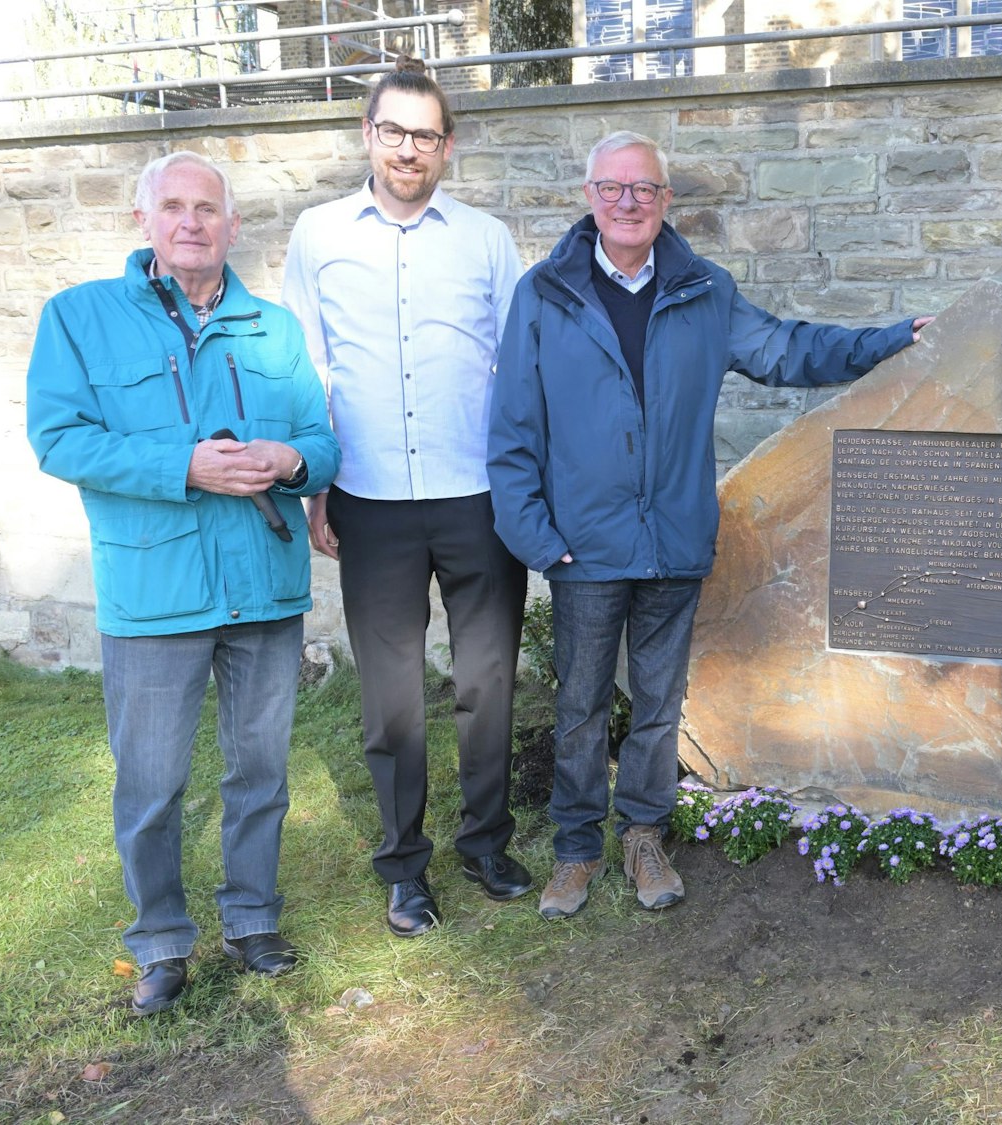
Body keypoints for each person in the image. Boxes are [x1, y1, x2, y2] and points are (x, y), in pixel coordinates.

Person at [487, 130, 931, 919]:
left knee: (659, 704)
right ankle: (576, 849)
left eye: (646, 189)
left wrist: (891, 340)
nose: (629, 203)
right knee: (582, 706)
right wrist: (538, 538)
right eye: (614, 189)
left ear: (665, 201)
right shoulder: (544, 294)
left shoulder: (703, 291)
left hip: (673, 542)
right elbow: (513, 430)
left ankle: (645, 834)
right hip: (582, 546)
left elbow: (790, 350)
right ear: (589, 197)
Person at [26, 152, 340, 1014]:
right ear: (145, 223)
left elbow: (324, 440)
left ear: (234, 226)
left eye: (209, 207)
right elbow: (59, 440)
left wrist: (292, 458)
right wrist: (184, 467)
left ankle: (251, 920)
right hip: (154, 594)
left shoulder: (272, 328)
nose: (192, 221)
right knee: (153, 784)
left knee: (260, 772)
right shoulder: (80, 318)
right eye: (174, 206)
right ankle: (161, 940)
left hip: (264, 589)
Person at [282, 57, 530, 939]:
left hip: (479, 497)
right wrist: (316, 489)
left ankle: (486, 842)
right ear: (367, 133)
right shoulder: (316, 236)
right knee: (391, 693)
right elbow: (305, 371)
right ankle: (403, 866)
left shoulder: (486, 239)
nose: (408, 150)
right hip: (371, 497)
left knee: (486, 681)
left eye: (426, 135)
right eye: (394, 131)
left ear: (448, 146)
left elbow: (518, 367)